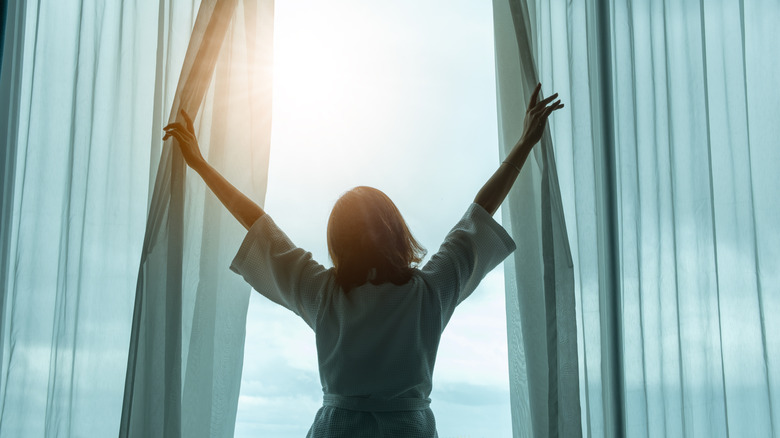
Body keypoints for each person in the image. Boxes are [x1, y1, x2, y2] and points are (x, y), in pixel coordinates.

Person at [163, 83, 563, 437]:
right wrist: (526, 141)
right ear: (397, 232)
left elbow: (259, 226)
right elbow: (480, 213)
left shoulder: (322, 294)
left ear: (338, 242)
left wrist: (200, 164)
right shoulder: (429, 292)